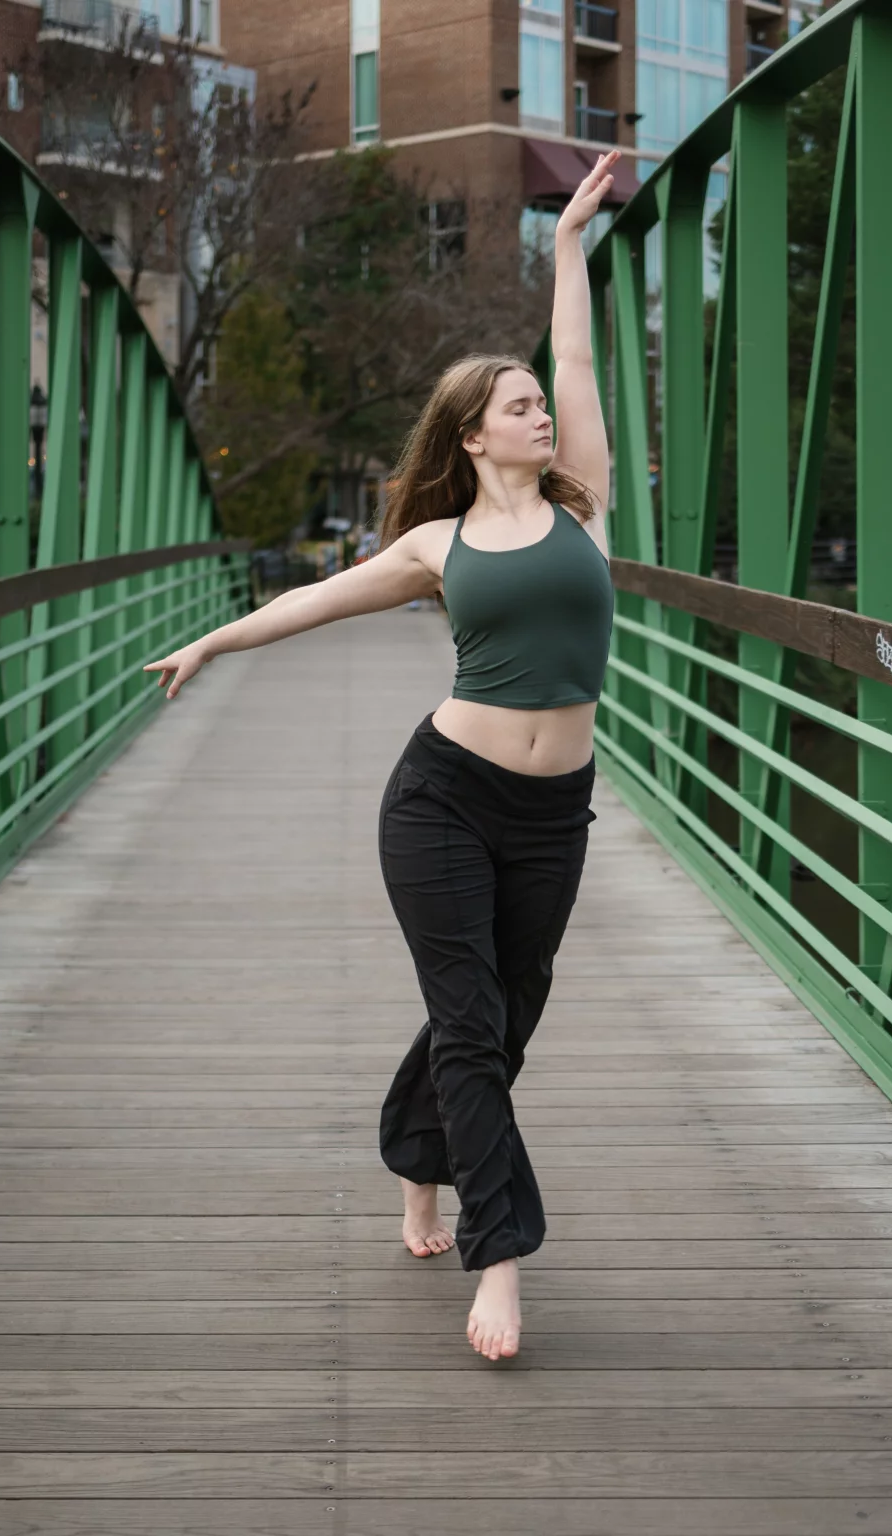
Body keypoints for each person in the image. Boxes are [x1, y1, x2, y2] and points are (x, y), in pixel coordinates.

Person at [144, 150, 621, 1363]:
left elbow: (575, 357)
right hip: (441, 799)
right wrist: (210, 639)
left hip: (554, 809)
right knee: (468, 1023)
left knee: (505, 1016)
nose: (539, 414)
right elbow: (312, 603)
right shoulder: (434, 544)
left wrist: (565, 243)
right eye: (516, 407)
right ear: (473, 436)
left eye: (537, 403)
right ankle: (498, 1257)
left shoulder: (583, 505)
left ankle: (417, 1159)